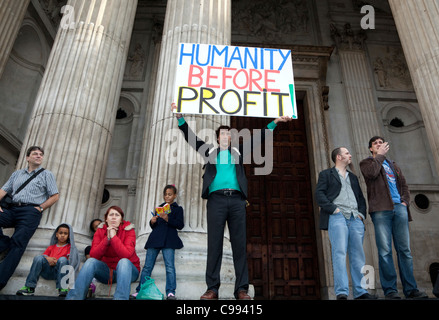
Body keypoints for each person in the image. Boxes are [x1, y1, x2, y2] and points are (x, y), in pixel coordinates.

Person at [172, 102, 292, 300]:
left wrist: (274, 122)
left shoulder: (238, 152)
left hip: (236, 202)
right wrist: (180, 118)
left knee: (239, 245)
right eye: (223, 134)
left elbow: (258, 139)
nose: (226, 137)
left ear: (231, 138)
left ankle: (241, 290)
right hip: (216, 201)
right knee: (214, 245)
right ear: (218, 138)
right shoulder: (209, 152)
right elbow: (191, 138)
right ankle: (212, 289)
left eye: (229, 134)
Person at [360, 136, 427, 299]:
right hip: (381, 210)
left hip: (399, 208)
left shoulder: (394, 165)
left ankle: (411, 289)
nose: (378, 144)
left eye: (381, 142)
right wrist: (380, 156)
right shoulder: (367, 163)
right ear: (371, 149)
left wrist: (405, 201)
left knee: (405, 250)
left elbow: (404, 184)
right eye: (375, 143)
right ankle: (390, 290)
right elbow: (372, 174)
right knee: (385, 251)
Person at [315, 147, 375, 300]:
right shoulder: (326, 174)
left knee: (358, 255)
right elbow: (319, 195)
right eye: (347, 153)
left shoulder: (353, 177)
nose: (350, 155)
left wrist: (361, 215)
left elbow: (361, 198)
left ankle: (361, 292)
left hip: (355, 218)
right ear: (339, 157)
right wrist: (334, 209)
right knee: (339, 254)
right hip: (337, 218)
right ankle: (342, 292)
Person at [0, 146, 59, 291]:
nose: (38, 156)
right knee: (12, 243)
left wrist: (40, 208)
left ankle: (0, 281)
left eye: (41, 154)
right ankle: (3, 243)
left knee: (18, 245)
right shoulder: (17, 174)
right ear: (27, 158)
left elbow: (55, 196)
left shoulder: (47, 174)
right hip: (13, 208)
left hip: (30, 212)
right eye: (35, 154)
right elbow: (3, 190)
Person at [66, 206, 140, 300]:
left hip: (128, 271)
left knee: (124, 262)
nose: (113, 217)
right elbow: (94, 255)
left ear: (121, 220)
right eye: (111, 215)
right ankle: (74, 298)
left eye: (117, 215)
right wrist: (107, 239)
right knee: (91, 261)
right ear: (106, 219)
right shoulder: (100, 230)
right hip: (108, 273)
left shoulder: (129, 230)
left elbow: (126, 255)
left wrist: (114, 237)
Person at [133, 184, 184, 300]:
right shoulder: (159, 208)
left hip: (169, 240)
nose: (167, 196)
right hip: (155, 239)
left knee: (170, 267)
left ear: (175, 196)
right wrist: (152, 221)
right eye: (165, 194)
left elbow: (180, 225)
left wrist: (167, 219)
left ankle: (171, 292)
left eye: (170, 194)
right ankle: (140, 290)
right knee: (147, 267)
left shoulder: (178, 209)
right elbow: (154, 227)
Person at [16, 223, 79, 297]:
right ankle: (30, 287)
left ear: (69, 236)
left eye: (65, 233)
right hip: (47, 271)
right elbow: (43, 258)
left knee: (62, 260)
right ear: (56, 235)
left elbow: (71, 261)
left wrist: (57, 261)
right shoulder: (51, 247)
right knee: (38, 258)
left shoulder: (70, 248)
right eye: (60, 233)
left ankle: (62, 289)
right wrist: (48, 258)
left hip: (60, 272)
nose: (62, 235)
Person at [84, 218, 102, 297]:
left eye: (100, 224)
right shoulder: (96, 238)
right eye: (96, 226)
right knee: (88, 249)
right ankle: (91, 282)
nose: (99, 227)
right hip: (97, 263)